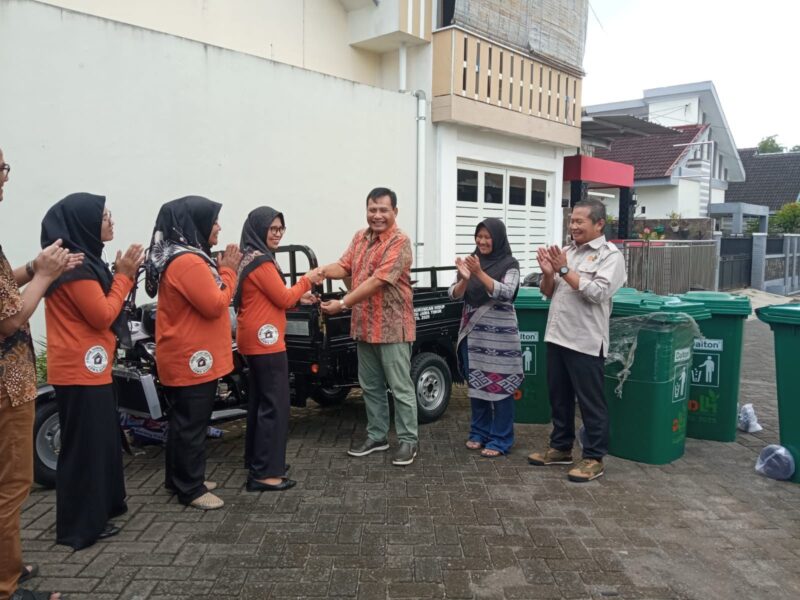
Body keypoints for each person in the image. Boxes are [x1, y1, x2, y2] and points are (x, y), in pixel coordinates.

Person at [41, 193, 145, 550]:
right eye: (103, 216)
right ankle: (78, 527)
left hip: (91, 367)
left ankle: (102, 510)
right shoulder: (76, 267)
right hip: (78, 370)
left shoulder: (87, 262)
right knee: (84, 450)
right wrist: (125, 277)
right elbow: (102, 314)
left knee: (100, 445)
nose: (111, 221)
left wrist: (120, 276)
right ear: (83, 223)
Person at [0, 147, 77, 600]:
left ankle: (8, 564)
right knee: (12, 484)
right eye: (1, 168)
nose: (5, 177)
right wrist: (45, 278)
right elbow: (8, 319)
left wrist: (32, 267)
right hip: (8, 384)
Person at [145, 196, 242, 510]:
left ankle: (179, 478)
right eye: (213, 221)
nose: (218, 228)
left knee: (183, 422)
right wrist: (228, 272)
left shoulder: (182, 255)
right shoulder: (187, 261)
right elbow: (215, 303)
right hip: (192, 357)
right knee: (192, 423)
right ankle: (191, 488)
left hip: (187, 354)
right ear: (194, 223)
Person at [528, 199, 626, 482]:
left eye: (579, 221)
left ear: (599, 224)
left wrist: (561, 270)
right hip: (558, 336)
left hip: (585, 340)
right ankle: (560, 448)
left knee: (590, 402)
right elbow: (548, 292)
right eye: (571, 221)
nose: (573, 226)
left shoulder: (611, 257)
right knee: (559, 398)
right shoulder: (567, 252)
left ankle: (594, 457)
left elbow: (596, 293)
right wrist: (549, 274)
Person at [319, 187, 418, 466]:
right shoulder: (360, 238)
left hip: (392, 328)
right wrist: (321, 272)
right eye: (372, 210)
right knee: (371, 386)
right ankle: (377, 436)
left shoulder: (400, 241)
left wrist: (342, 303)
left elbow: (377, 281)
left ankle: (408, 440)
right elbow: (344, 266)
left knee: (400, 388)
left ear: (394, 212)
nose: (377, 216)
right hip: (365, 326)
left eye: (383, 210)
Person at [235, 207, 323, 492]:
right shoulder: (261, 261)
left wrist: (302, 298)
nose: (277, 234)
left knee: (260, 402)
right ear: (258, 229)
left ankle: (259, 460)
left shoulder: (250, 255)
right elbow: (283, 297)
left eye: (280, 228)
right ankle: (265, 474)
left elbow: (272, 299)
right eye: (271, 228)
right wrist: (307, 280)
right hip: (266, 340)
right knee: (275, 405)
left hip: (255, 336)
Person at [449, 218, 523, 458]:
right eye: (478, 236)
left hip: (500, 339)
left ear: (498, 238)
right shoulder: (472, 261)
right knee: (477, 385)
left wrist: (479, 273)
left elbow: (506, 292)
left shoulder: (510, 264)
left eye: (487, 236)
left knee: (501, 388)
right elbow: (453, 294)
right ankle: (479, 432)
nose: (482, 241)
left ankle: (501, 439)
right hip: (473, 335)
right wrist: (464, 278)